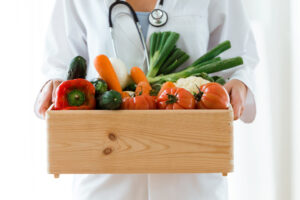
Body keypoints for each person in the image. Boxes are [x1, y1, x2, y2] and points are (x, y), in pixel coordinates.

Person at [35, 0, 259, 199]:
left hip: (191, 179)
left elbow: (240, 56)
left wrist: (241, 82)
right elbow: (59, 62)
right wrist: (53, 82)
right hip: (105, 177)